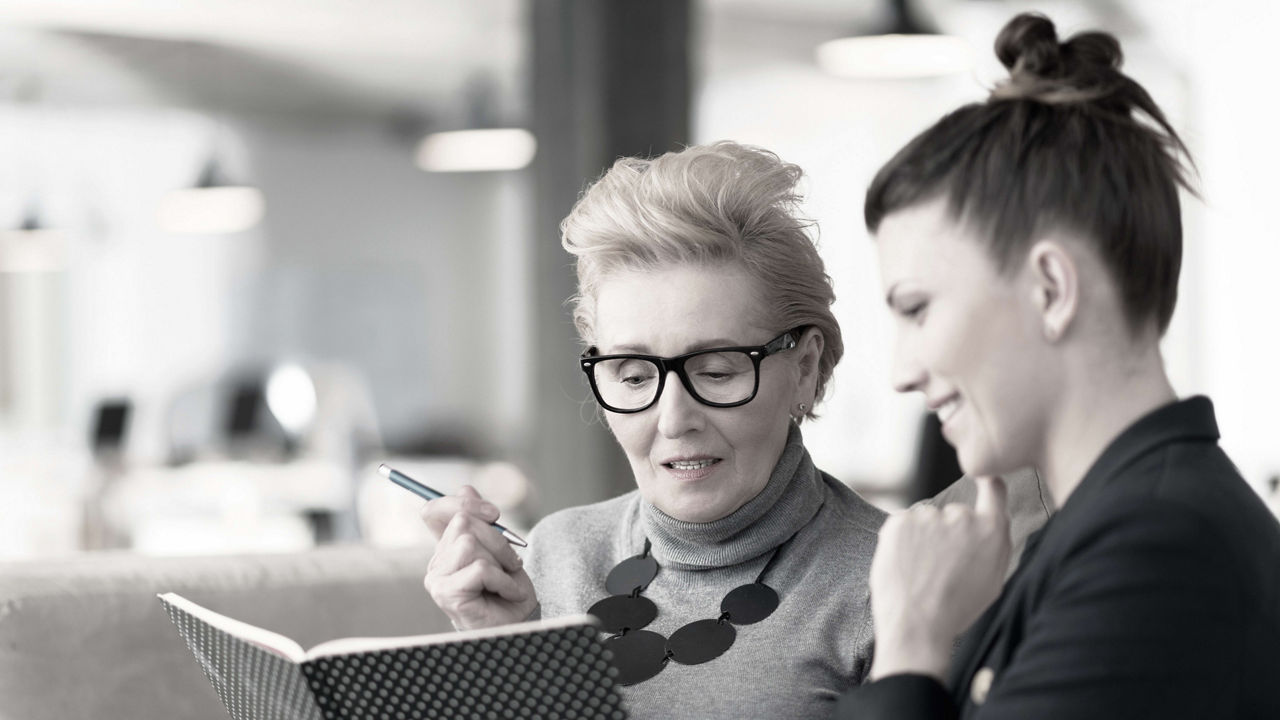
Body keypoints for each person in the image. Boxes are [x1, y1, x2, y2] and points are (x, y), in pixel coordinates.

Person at [835, 12, 1280, 720]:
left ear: (1051, 289)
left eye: (917, 309)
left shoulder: (1153, 554)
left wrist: (911, 643)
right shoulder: (1114, 530)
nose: (902, 370)